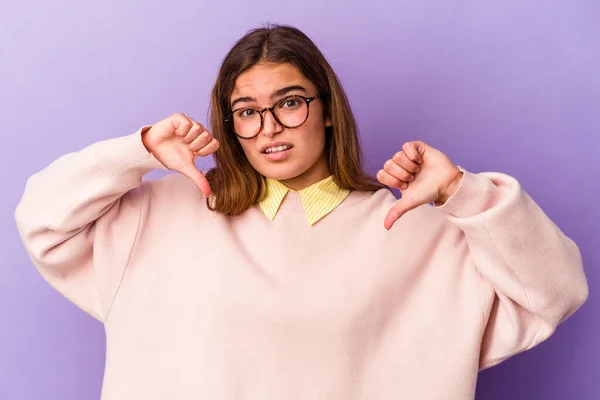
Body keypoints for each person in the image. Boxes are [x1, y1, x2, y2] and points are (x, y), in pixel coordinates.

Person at [15, 24, 588, 400]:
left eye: (289, 103)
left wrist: (462, 191)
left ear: (327, 108)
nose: (268, 128)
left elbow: (556, 291)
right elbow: (42, 221)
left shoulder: (418, 234)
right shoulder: (161, 214)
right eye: (246, 111)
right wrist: (136, 149)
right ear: (230, 123)